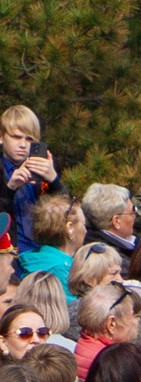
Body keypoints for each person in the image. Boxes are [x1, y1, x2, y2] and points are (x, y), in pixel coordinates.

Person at [2, 105, 58, 254]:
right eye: (16, 137)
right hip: (10, 254)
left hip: (41, 252)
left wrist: (54, 181)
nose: (22, 144)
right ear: (1, 137)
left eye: (29, 139)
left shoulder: (40, 171)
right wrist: (10, 188)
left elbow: (64, 214)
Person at [72, 283, 139, 379]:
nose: (136, 320)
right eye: (131, 317)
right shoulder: (113, 363)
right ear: (111, 324)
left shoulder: (83, 346)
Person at [19, 195, 76, 288]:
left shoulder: (33, 259)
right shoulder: (61, 270)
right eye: (84, 224)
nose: (86, 231)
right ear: (70, 228)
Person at [81, 182, 138, 259]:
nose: (134, 215)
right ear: (116, 221)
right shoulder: (116, 261)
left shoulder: (87, 239)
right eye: (132, 212)